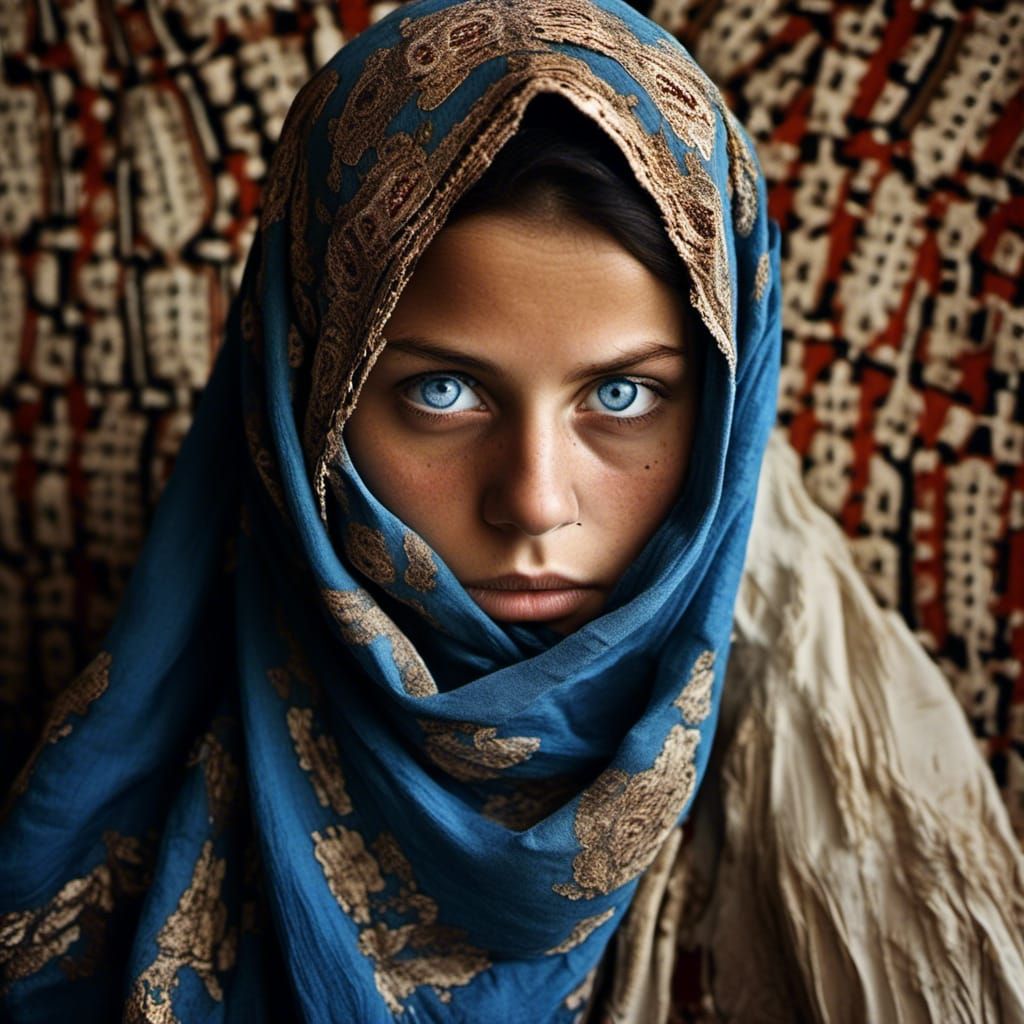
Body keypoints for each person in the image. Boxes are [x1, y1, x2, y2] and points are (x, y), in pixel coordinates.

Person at [1, 1, 1021, 1021]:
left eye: (622, 396)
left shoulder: (867, 813)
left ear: (722, 413)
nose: (534, 500)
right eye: (443, 392)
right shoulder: (86, 850)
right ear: (304, 398)